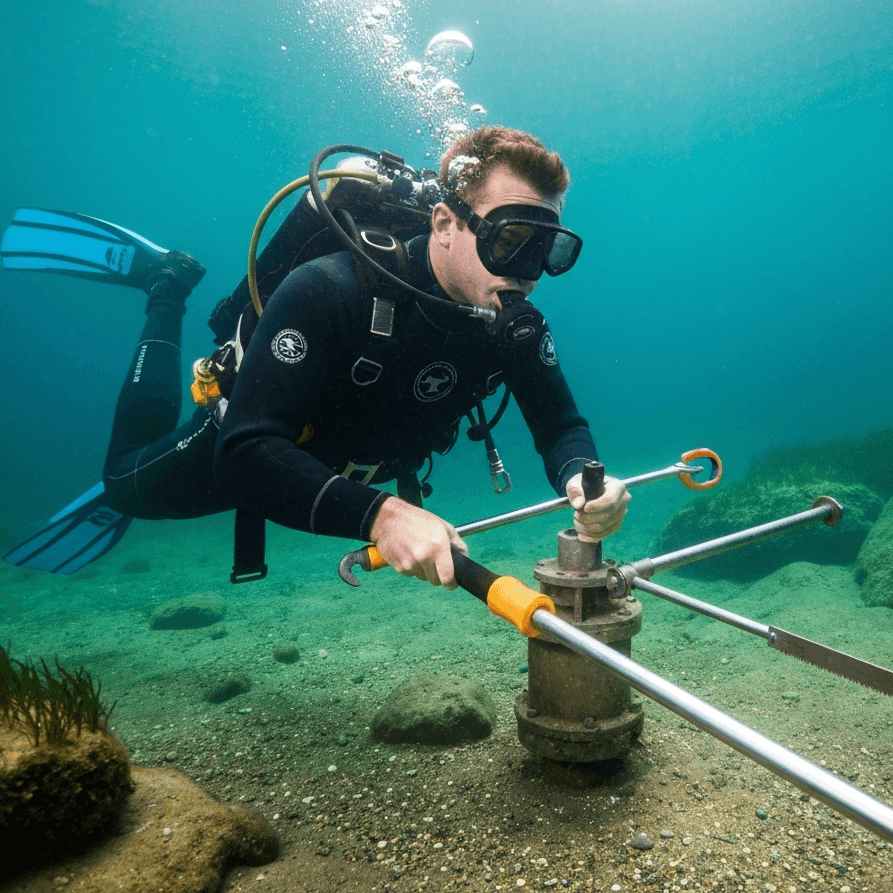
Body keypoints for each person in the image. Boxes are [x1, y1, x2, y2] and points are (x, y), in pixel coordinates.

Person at [1, 126, 629, 584]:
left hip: (346, 465)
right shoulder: (331, 290)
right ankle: (165, 289)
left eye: (549, 250)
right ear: (444, 223)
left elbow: (561, 426)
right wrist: (381, 516)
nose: (528, 273)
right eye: (509, 239)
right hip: (262, 440)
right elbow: (245, 453)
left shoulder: (508, 319)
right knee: (121, 484)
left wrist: (584, 478)